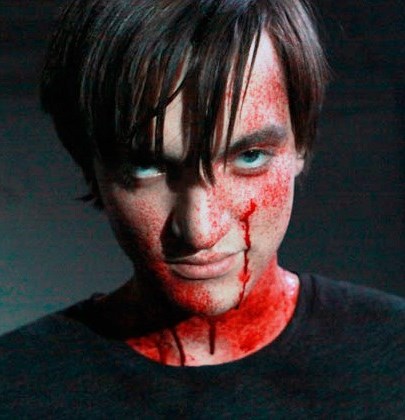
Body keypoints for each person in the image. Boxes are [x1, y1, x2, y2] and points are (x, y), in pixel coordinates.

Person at [1, 0, 404, 417]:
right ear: (90, 166)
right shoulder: (15, 386)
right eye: (147, 166)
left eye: (249, 156)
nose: (200, 230)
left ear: (300, 142)